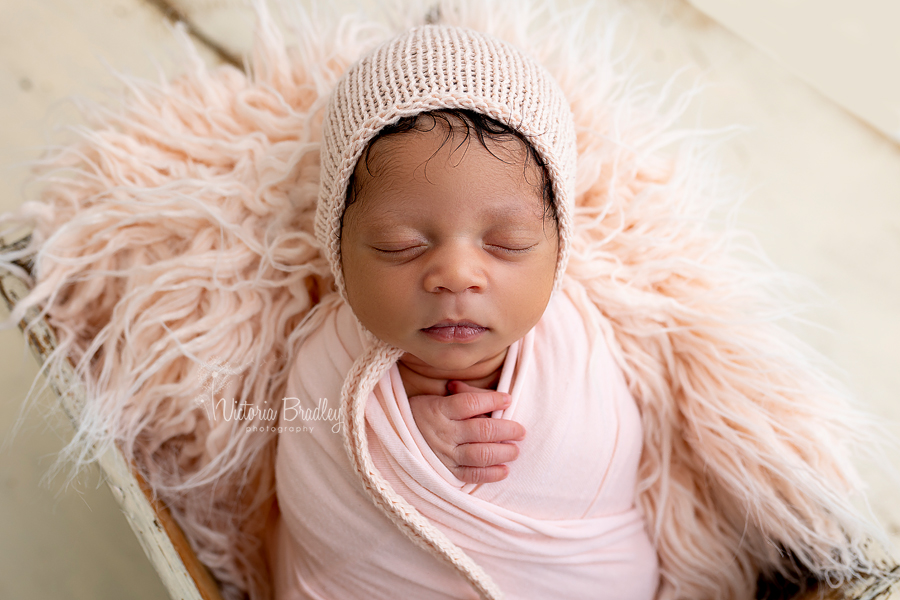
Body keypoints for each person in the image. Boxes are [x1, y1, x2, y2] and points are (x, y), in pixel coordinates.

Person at [267, 24, 659, 600]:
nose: (455, 275)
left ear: (558, 250)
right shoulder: (325, 358)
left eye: (508, 242)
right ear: (338, 247)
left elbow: (604, 469)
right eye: (400, 245)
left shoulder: (576, 347)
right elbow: (312, 485)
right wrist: (398, 444)